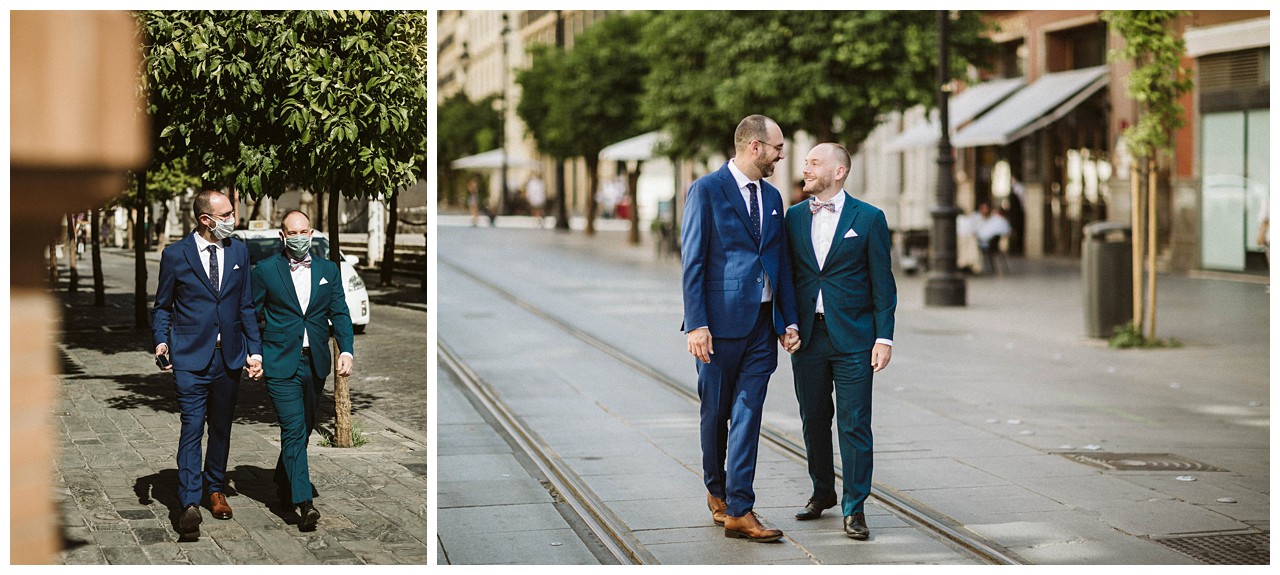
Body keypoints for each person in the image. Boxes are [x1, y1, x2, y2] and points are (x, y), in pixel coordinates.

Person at [681, 114, 799, 542]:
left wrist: (787, 320)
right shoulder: (707, 190)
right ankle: (717, 488)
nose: (781, 156)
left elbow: (779, 263)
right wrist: (696, 324)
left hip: (761, 329)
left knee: (748, 415)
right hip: (717, 327)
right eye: (777, 148)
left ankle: (739, 507)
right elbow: (693, 261)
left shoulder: (773, 198)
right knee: (715, 414)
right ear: (755, 147)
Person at [784, 143, 896, 540]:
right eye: (806, 163)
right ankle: (822, 492)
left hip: (855, 340)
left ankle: (855, 507)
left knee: (854, 425)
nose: (806, 169)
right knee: (813, 419)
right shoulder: (794, 216)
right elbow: (787, 278)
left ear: (839, 171)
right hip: (808, 338)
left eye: (814, 163)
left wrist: (884, 337)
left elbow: (884, 282)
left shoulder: (869, 218)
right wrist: (787, 323)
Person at [152, 189, 263, 541]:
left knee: (221, 427)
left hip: (228, 356)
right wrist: (160, 340)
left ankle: (215, 488)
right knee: (191, 426)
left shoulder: (239, 250)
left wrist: (255, 351)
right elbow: (162, 307)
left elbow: (245, 305)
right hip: (189, 357)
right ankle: (188, 503)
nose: (234, 218)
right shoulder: (175, 255)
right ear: (205, 219)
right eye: (227, 213)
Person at [251, 210, 355, 532]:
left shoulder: (328, 270)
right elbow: (250, 314)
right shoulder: (266, 270)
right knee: (293, 429)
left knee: (307, 426)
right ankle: (304, 502)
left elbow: (340, 312)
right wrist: (253, 353)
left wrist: (347, 350)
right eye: (292, 233)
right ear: (283, 236)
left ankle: (282, 481)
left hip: (316, 362)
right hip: (280, 362)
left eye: (304, 232)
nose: (299, 238)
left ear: (311, 234)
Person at [974, 202, 1011, 274]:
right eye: (982, 208)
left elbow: (1005, 231)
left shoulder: (997, 220)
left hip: (989, 244)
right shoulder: (976, 219)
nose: (984, 210)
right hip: (978, 242)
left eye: (985, 208)